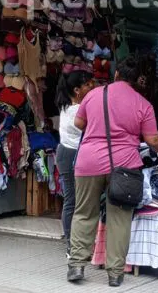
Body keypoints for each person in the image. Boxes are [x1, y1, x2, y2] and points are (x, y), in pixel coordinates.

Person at [67, 58, 158, 287]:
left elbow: (78, 123)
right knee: (119, 219)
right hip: (124, 166)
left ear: (116, 74)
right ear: (137, 81)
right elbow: (153, 140)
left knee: (84, 213)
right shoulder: (143, 103)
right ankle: (115, 273)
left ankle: (77, 265)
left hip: (89, 163)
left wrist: (98, 128)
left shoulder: (94, 94)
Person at [55, 70, 95, 256]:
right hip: (70, 154)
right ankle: (72, 246)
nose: (92, 86)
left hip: (69, 153)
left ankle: (80, 242)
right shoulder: (76, 110)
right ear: (77, 90)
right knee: (72, 201)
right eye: (88, 84)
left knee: (77, 200)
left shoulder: (71, 105)